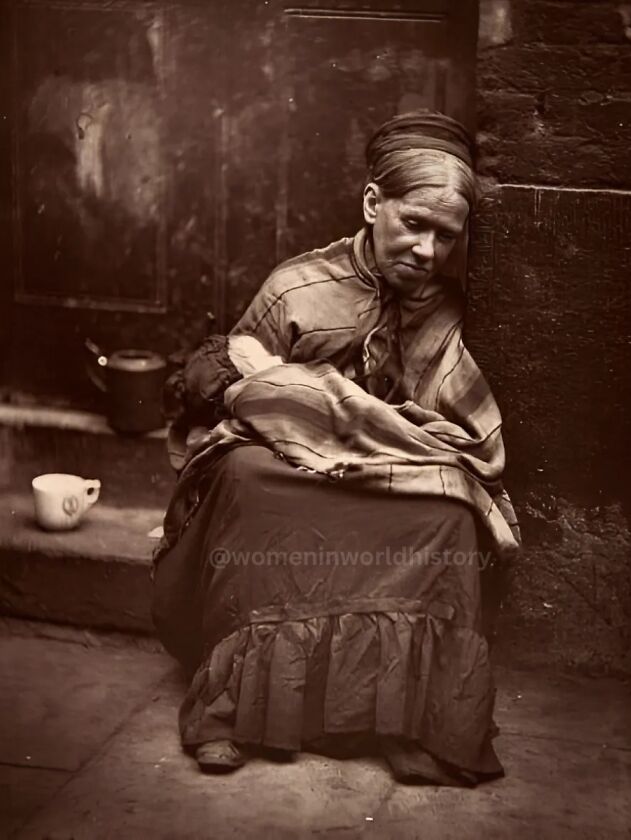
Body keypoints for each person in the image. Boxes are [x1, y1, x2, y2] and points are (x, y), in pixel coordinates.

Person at [152, 110, 520, 786]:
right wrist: (307, 408)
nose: (428, 251)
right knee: (249, 481)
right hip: (292, 474)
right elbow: (230, 393)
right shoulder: (298, 288)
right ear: (374, 203)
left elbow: (458, 435)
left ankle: (409, 717)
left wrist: (375, 431)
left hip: (381, 474)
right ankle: (232, 709)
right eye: (414, 224)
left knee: (448, 512)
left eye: (446, 236)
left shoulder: (444, 310)